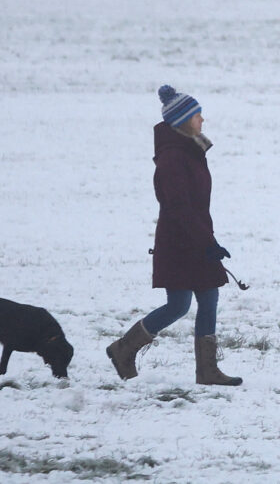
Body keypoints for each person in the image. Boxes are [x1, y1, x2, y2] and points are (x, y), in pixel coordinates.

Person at [104, 85, 241, 386]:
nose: (202, 120)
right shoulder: (173, 159)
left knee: (208, 297)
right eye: (197, 115)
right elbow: (179, 207)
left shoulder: (189, 151)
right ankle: (122, 349)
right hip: (180, 242)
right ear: (183, 120)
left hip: (195, 238)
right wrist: (206, 243)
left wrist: (208, 240)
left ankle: (207, 371)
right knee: (179, 305)